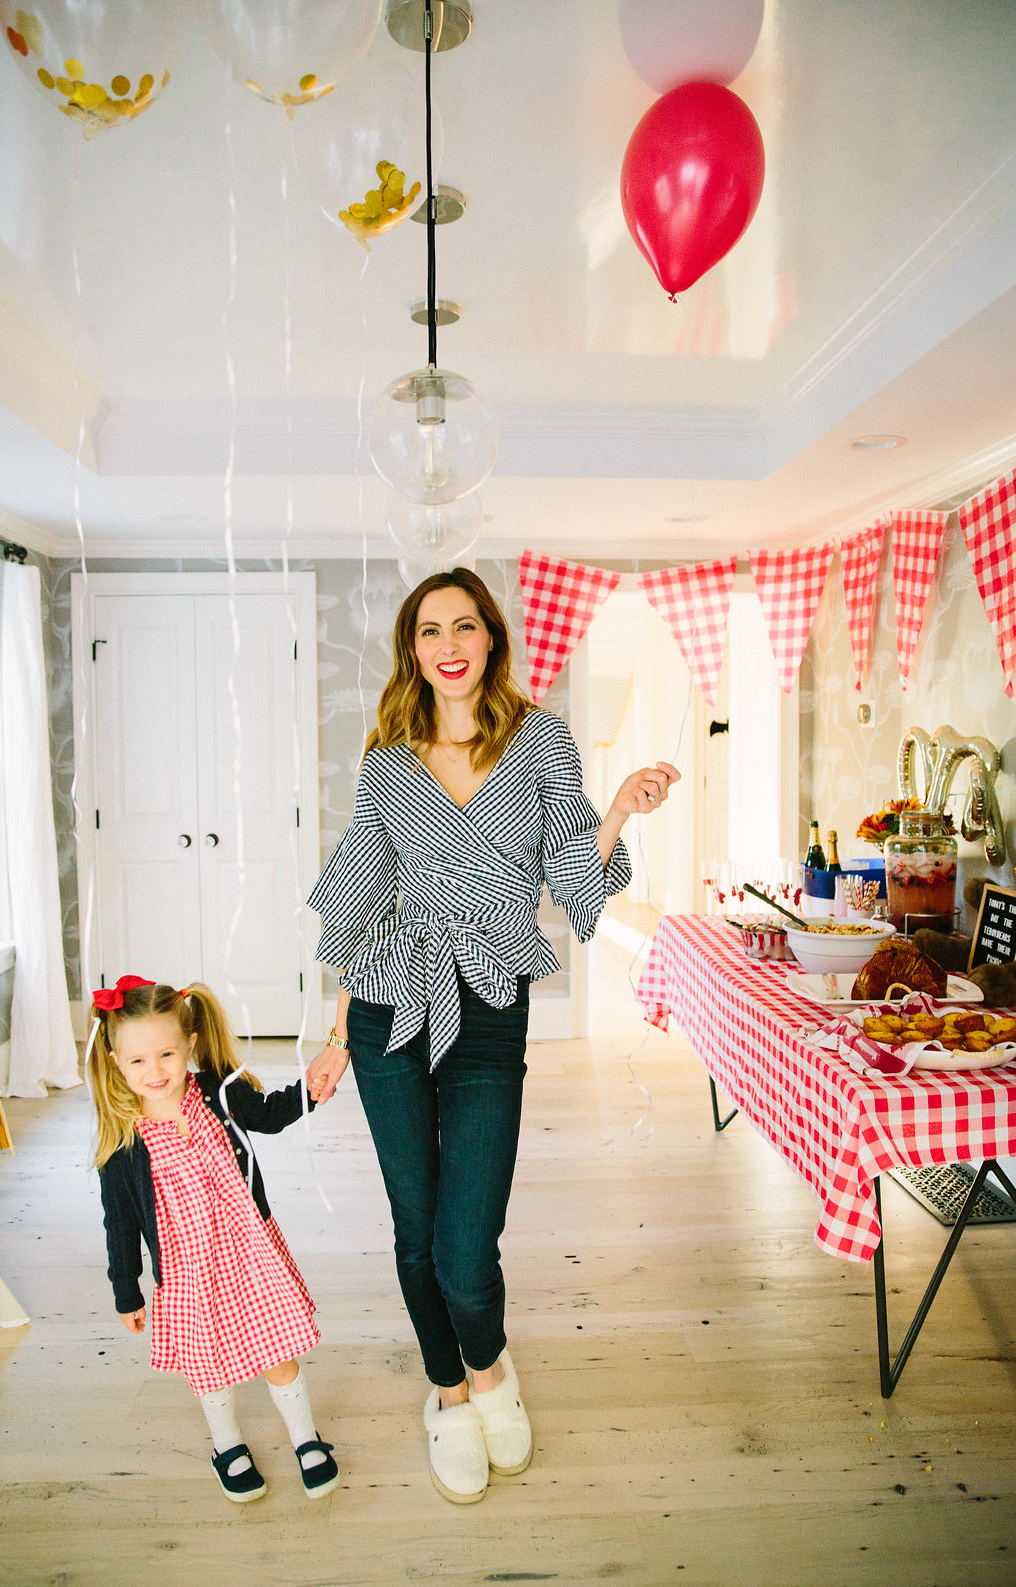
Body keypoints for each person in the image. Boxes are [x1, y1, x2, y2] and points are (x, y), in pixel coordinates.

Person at [306, 567, 678, 1504]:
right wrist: (339, 1025)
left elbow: (568, 867)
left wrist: (622, 809)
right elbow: (363, 891)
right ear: (415, 650)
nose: (447, 642)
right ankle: (448, 1390)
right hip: (390, 1000)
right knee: (414, 1229)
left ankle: (493, 1370)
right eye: (429, 629)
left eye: (463, 623)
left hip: (488, 1005)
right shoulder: (386, 757)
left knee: (466, 1247)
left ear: (490, 638)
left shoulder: (541, 739)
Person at [88, 974, 339, 1505]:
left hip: (248, 1253)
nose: (155, 1071)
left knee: (280, 1350)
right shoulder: (122, 1140)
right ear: (115, 1061)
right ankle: (228, 1447)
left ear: (190, 1047)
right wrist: (126, 1292)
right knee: (209, 1367)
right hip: (186, 1273)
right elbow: (120, 1226)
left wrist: (312, 1089)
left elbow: (270, 1115)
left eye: (166, 1055)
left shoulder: (219, 1095)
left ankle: (306, 1438)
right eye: (137, 1061)